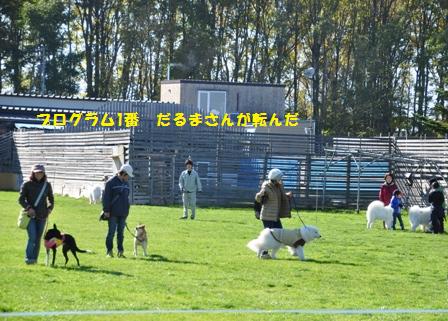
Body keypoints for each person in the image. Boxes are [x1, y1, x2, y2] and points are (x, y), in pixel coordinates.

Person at [18, 164, 54, 265]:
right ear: (33, 173)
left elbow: (51, 199)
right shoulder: (27, 184)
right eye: (37, 172)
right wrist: (28, 208)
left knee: (38, 238)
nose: (39, 174)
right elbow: (21, 199)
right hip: (30, 216)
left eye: (41, 172)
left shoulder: (47, 185)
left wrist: (50, 208)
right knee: (32, 237)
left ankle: (34, 259)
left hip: (42, 216)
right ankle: (28, 259)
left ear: (44, 173)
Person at [255, 168, 292, 259]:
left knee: (279, 233)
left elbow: (278, 197)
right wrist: (260, 195)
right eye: (280, 177)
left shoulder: (278, 186)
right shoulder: (266, 186)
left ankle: (271, 253)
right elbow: (258, 198)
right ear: (276, 178)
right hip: (267, 216)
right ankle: (263, 253)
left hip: (275, 216)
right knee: (268, 236)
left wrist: (287, 195)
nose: (281, 179)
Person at [102, 164, 133, 258]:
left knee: (121, 234)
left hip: (123, 213)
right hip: (112, 213)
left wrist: (127, 212)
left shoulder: (126, 184)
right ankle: (109, 251)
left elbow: (126, 198)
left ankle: (120, 251)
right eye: (128, 176)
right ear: (124, 174)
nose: (128, 178)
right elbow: (106, 198)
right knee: (111, 233)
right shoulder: (110, 183)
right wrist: (106, 211)